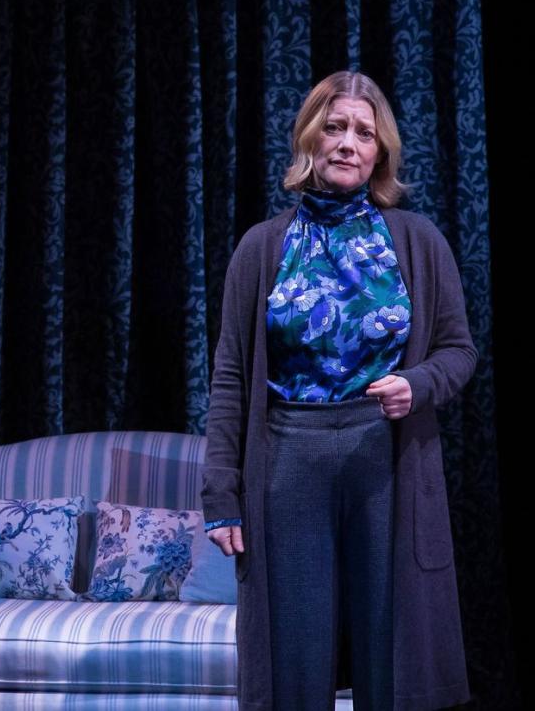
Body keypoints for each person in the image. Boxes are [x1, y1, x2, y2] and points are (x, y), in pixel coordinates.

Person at [201, 71, 477, 711]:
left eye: (364, 131)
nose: (348, 143)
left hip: (384, 453)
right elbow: (229, 375)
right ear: (309, 139)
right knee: (295, 656)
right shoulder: (262, 247)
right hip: (289, 455)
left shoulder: (415, 240)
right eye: (334, 127)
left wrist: (417, 383)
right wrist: (222, 493)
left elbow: (459, 351)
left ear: (380, 151)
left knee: (391, 646)